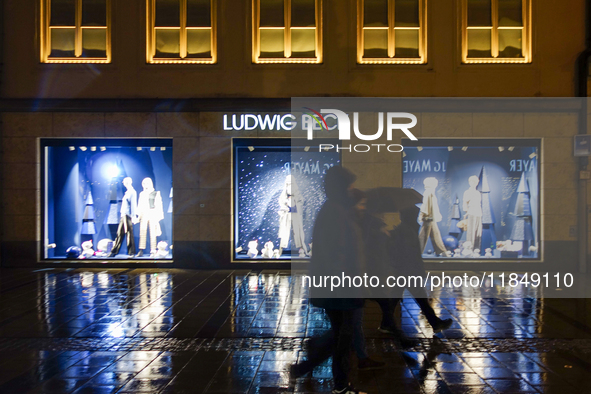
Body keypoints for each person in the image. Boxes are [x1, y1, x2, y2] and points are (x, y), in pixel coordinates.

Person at [290, 166, 367, 394]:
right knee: (344, 334)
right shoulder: (335, 211)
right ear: (342, 187)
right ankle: (340, 385)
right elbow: (338, 252)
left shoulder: (338, 209)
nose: (353, 189)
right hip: (340, 284)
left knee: (342, 332)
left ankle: (311, 363)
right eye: (350, 185)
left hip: (338, 282)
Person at [388, 206, 453, 333]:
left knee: (396, 299)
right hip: (409, 272)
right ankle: (435, 322)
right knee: (420, 298)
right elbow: (410, 255)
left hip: (404, 272)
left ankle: (386, 323)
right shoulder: (407, 231)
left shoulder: (404, 229)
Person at [418, 177, 449, 257]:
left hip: (430, 217)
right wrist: (423, 214)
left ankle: (441, 251)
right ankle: (418, 251)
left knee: (434, 234)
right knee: (424, 235)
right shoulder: (429, 192)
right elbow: (425, 205)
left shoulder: (430, 192)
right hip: (429, 218)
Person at [278, 175, 308, 256]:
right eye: (288, 183)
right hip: (287, 215)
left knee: (297, 231)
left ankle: (302, 248)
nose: (290, 185)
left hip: (295, 214)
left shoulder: (297, 193)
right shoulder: (284, 194)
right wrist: (285, 206)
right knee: (285, 232)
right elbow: (281, 201)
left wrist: (296, 204)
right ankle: (280, 249)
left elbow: (301, 201)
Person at [109, 177, 138, 257]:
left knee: (128, 233)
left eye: (125, 182)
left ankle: (131, 252)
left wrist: (133, 216)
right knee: (119, 233)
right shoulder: (127, 192)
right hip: (124, 215)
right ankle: (114, 251)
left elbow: (133, 205)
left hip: (128, 215)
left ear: (129, 182)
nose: (123, 183)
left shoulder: (132, 192)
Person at [136, 177, 164, 257]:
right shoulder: (142, 194)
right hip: (144, 213)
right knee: (142, 231)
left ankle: (153, 250)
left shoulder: (156, 193)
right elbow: (140, 205)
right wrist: (138, 216)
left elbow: (159, 205)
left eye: (147, 183)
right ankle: (141, 250)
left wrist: (158, 217)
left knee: (153, 232)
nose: (146, 185)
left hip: (152, 213)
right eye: (144, 183)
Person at [463, 175, 483, 251]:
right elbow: (465, 203)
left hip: (478, 212)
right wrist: (466, 211)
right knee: (471, 231)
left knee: (478, 232)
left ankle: (477, 248)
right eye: (472, 182)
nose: (473, 183)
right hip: (472, 212)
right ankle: (469, 248)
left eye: (475, 182)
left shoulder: (477, 192)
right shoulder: (467, 192)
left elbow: (478, 203)